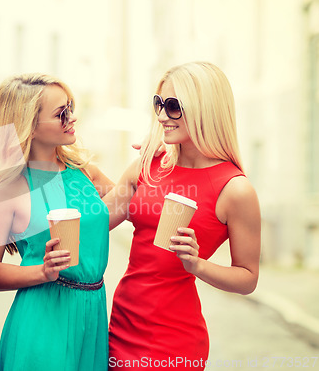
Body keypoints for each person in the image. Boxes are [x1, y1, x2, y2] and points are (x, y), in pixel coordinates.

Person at [105, 61, 261, 370]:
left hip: (173, 340)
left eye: (173, 106)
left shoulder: (235, 190)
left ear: (204, 109)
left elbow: (248, 278)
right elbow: (94, 221)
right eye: (159, 104)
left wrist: (197, 264)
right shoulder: (147, 166)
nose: (162, 116)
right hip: (121, 324)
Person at [0, 73, 114, 371]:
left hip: (92, 317)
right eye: (61, 113)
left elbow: (131, 207)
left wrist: (153, 160)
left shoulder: (86, 172)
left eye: (70, 107)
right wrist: (41, 272)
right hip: (42, 321)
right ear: (30, 124)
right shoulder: (7, 188)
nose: (72, 118)